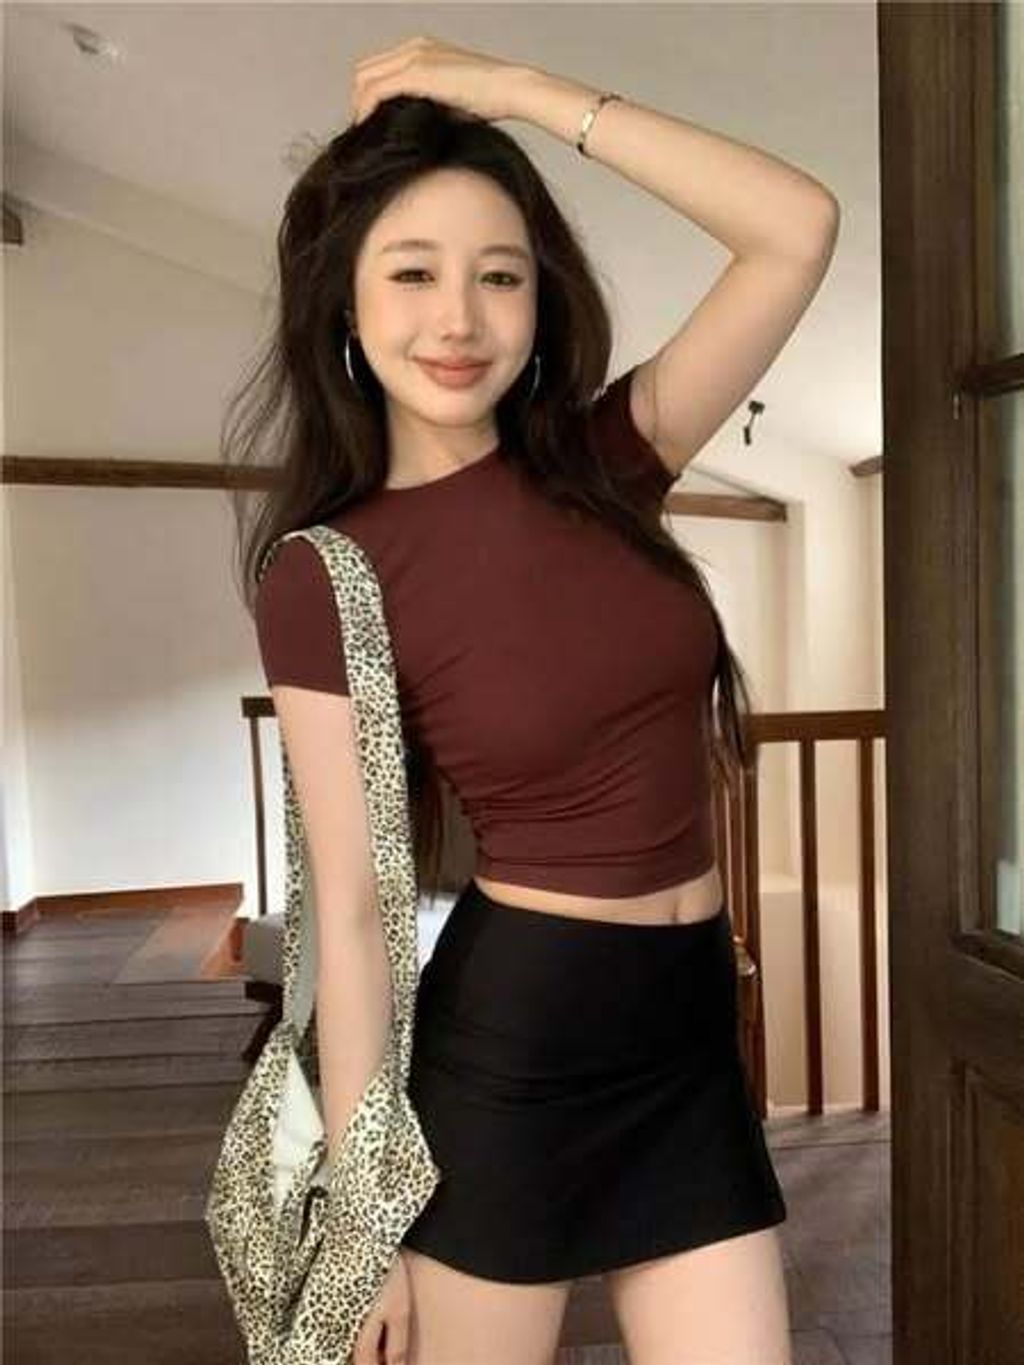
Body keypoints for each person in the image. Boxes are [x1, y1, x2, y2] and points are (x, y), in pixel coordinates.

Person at [228, 35, 839, 1365]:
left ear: (539, 297)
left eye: (498, 275)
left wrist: (515, 95)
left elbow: (795, 229)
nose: (459, 319)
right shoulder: (331, 573)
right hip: (515, 1057)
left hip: (686, 1032)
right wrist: (364, 1219)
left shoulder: (606, 462)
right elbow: (350, 911)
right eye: (413, 273)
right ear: (342, 302)